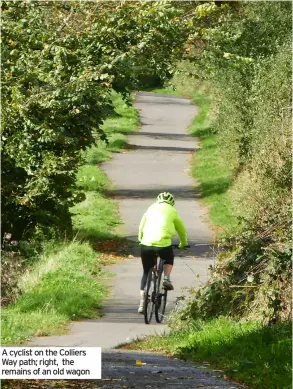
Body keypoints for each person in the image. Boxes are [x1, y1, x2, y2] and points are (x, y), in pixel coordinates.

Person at [137, 192, 188, 314]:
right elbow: (181, 229)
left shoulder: (151, 208)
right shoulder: (172, 210)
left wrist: (140, 239)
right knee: (169, 257)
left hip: (146, 244)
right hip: (163, 244)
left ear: (158, 200)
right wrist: (183, 243)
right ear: (172, 202)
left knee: (146, 272)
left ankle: (142, 303)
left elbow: (141, 226)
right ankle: (166, 278)